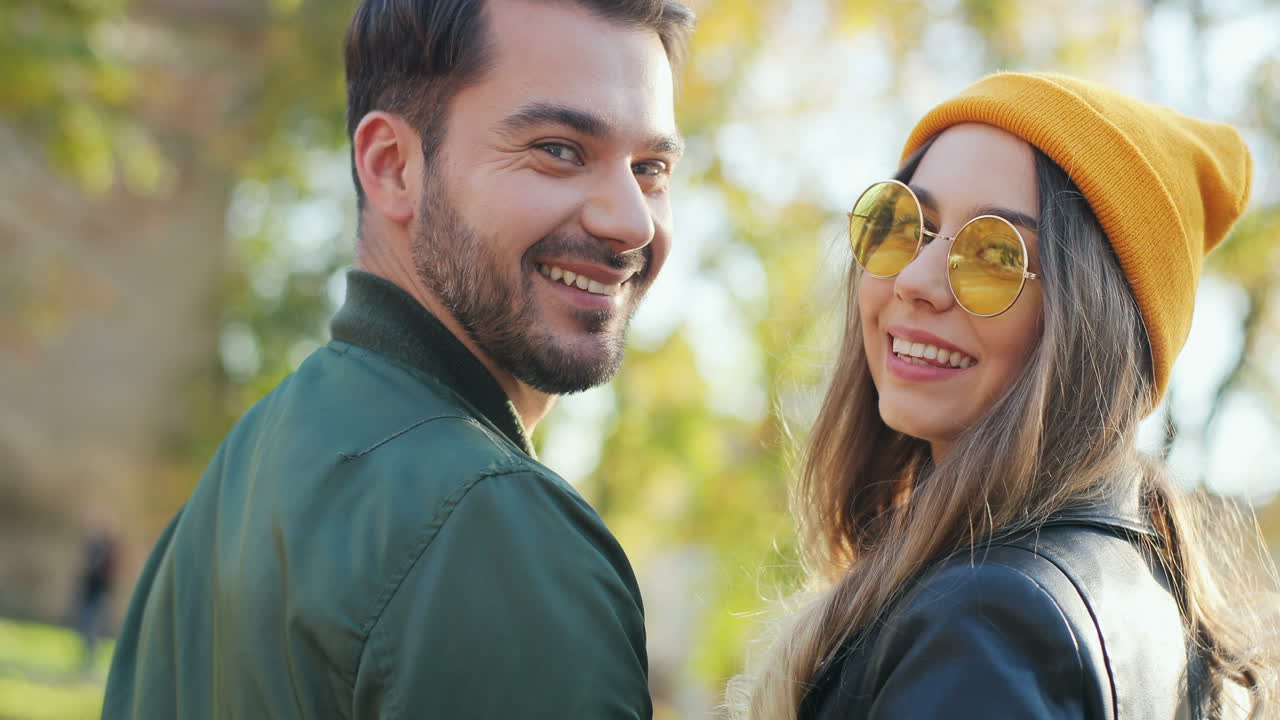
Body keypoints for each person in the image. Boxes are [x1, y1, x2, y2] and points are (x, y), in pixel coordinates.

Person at [103, 0, 692, 717]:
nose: (631, 220)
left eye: (651, 167)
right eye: (560, 149)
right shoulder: (492, 529)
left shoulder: (246, 468)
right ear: (392, 167)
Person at [729, 72, 1279, 719]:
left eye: (995, 257)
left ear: (1088, 327)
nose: (915, 279)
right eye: (907, 223)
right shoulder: (1152, 598)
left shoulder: (990, 623)